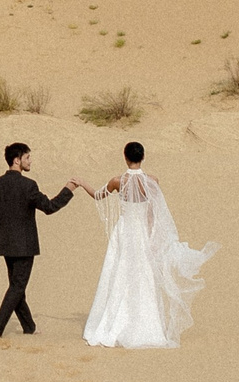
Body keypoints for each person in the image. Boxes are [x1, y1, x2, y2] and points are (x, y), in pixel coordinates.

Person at [75, 140, 217, 349]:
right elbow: (153, 211)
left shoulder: (118, 181)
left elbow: (98, 195)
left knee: (119, 273)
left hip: (124, 233)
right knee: (142, 277)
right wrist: (151, 236)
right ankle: (146, 324)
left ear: (125, 157)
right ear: (142, 157)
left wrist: (80, 182)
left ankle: (115, 321)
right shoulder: (152, 181)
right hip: (141, 233)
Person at [0, 141, 79, 340]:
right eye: (27, 157)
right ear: (17, 160)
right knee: (18, 286)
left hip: (5, 244)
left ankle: (29, 327)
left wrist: (1, 236)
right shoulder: (28, 185)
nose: (30, 161)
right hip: (25, 245)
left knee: (16, 285)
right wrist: (69, 189)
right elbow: (49, 207)